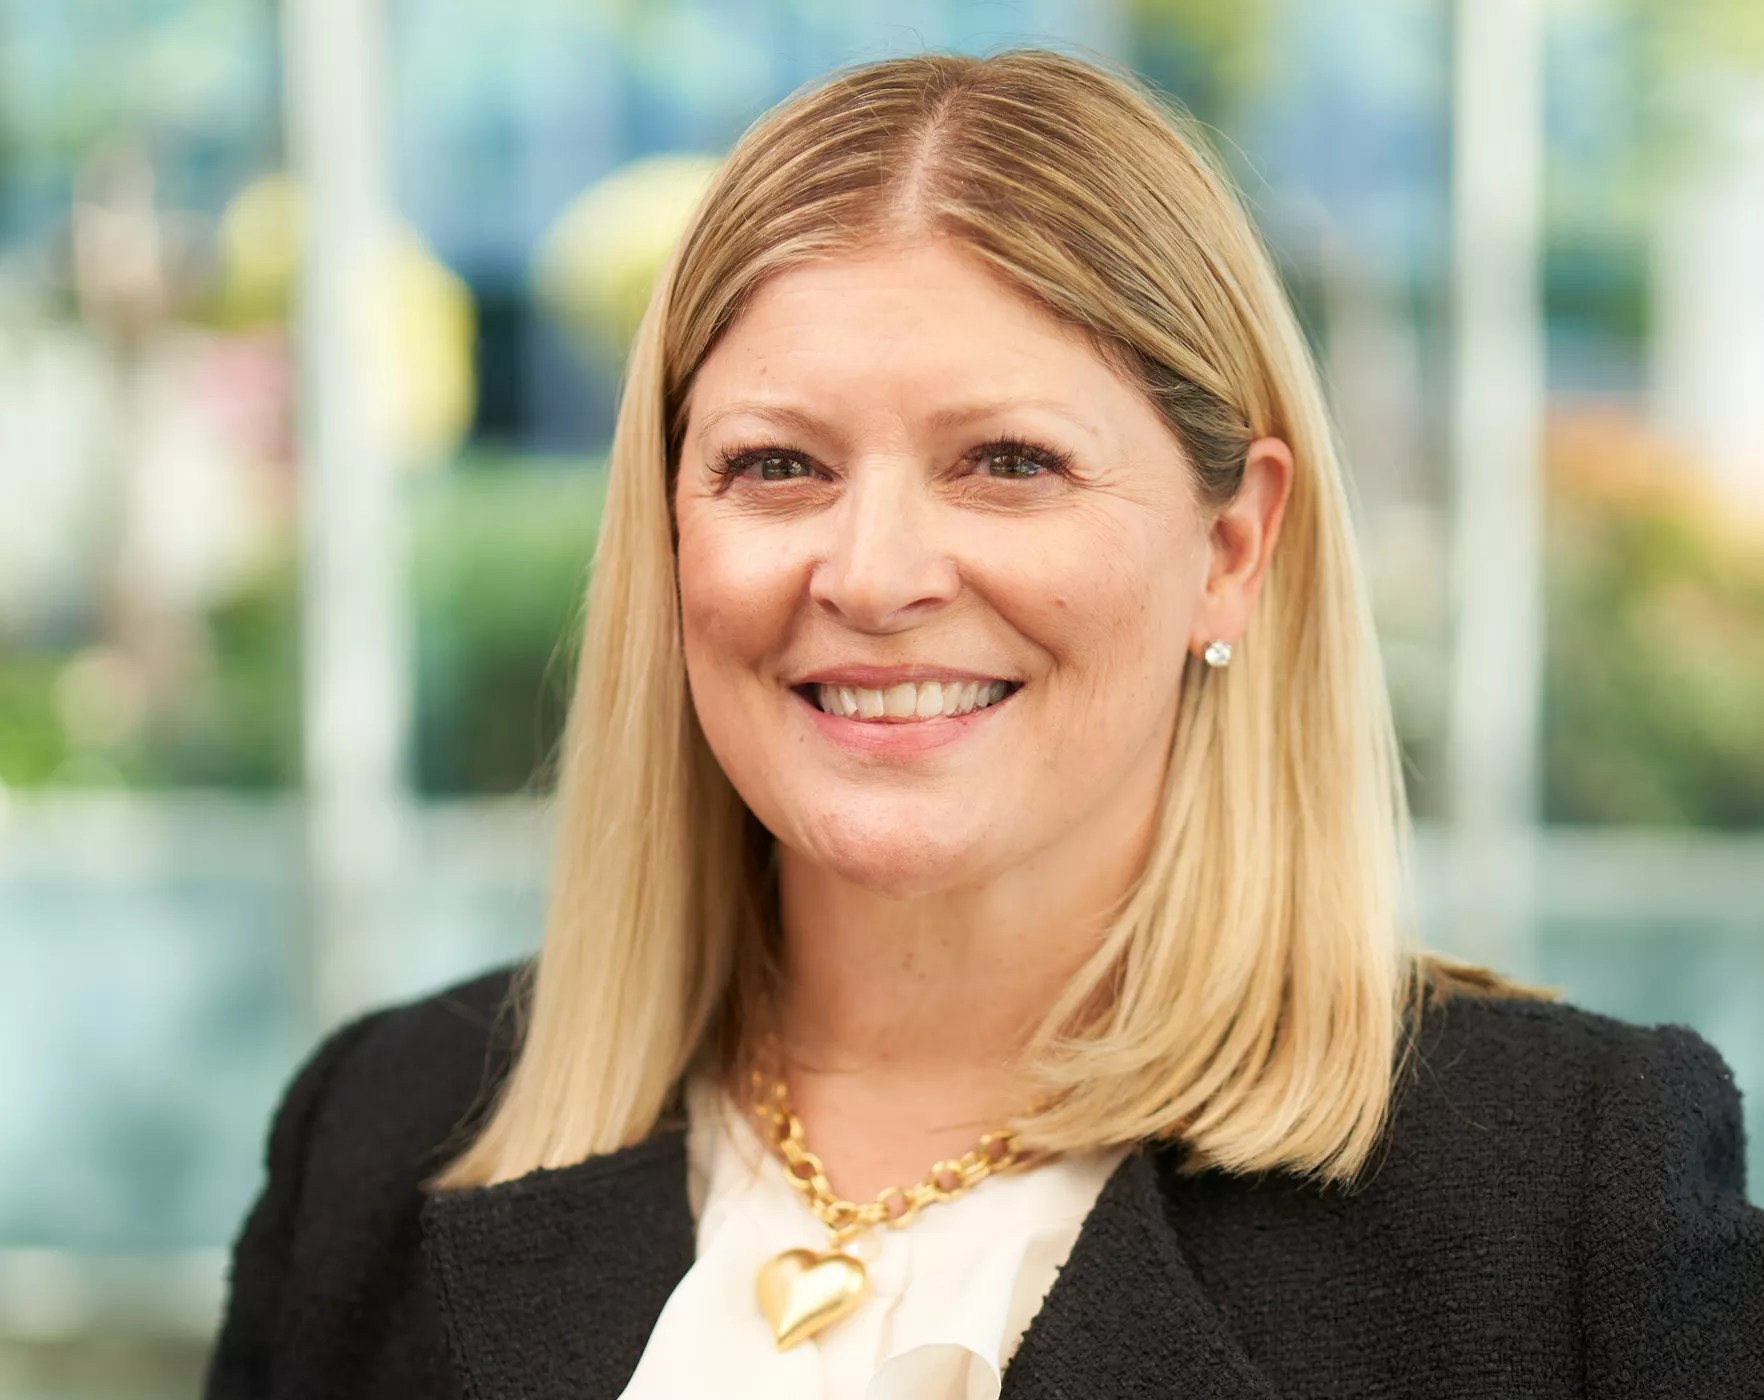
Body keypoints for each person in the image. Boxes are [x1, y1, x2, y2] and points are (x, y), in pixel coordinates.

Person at [204, 49, 1763, 1400]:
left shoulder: (1567, 1197)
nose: (874, 576)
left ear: (1232, 549)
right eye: (774, 467)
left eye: (1007, 461)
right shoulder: (382, 1134)